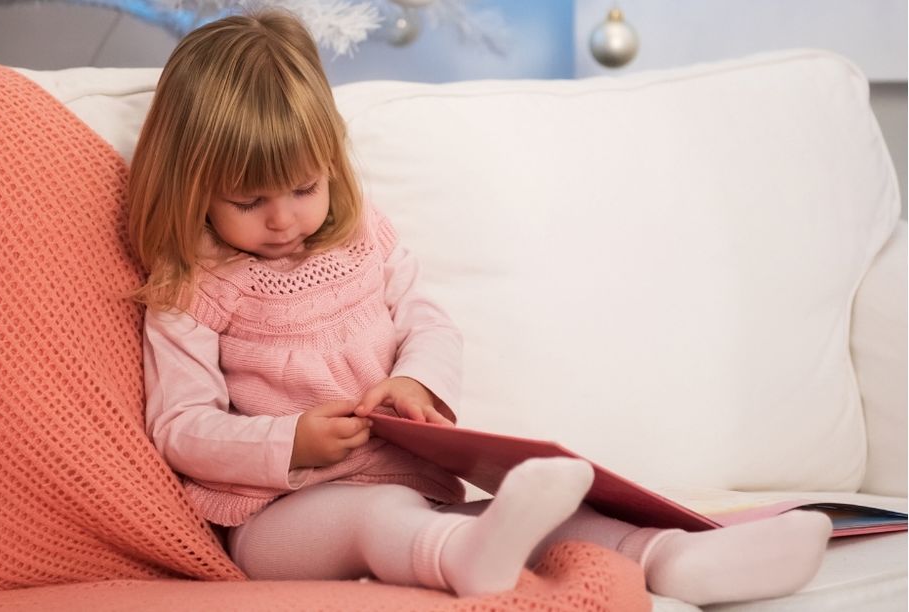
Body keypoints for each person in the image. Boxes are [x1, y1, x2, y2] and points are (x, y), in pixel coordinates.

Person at [128, 10, 833, 604]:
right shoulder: (193, 288)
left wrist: (416, 383)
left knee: (543, 513)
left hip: (421, 492)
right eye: (250, 201)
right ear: (191, 188)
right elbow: (180, 427)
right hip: (278, 522)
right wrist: (291, 444)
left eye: (304, 188)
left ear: (331, 166)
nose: (283, 219)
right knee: (381, 515)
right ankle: (461, 559)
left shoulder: (363, 239)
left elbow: (426, 321)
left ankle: (673, 558)